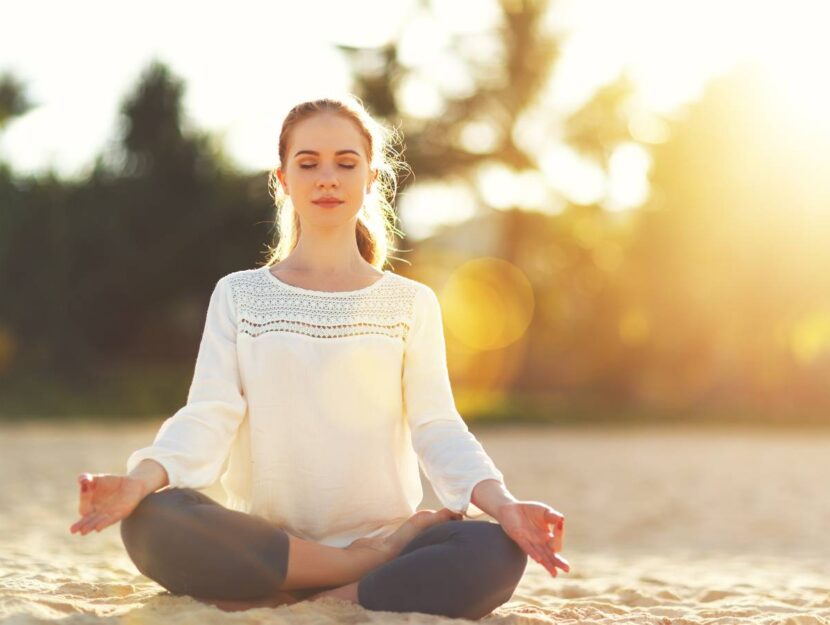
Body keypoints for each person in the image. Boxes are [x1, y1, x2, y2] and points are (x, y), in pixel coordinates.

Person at [69, 95, 569, 619]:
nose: (327, 178)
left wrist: (507, 507)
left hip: (382, 535)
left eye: (345, 163)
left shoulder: (410, 303)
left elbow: (437, 425)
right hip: (271, 544)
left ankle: (305, 592)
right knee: (153, 519)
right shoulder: (239, 295)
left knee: (495, 549)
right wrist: (140, 481)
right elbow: (208, 414)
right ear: (282, 179)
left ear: (371, 178)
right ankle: (354, 570)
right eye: (308, 163)